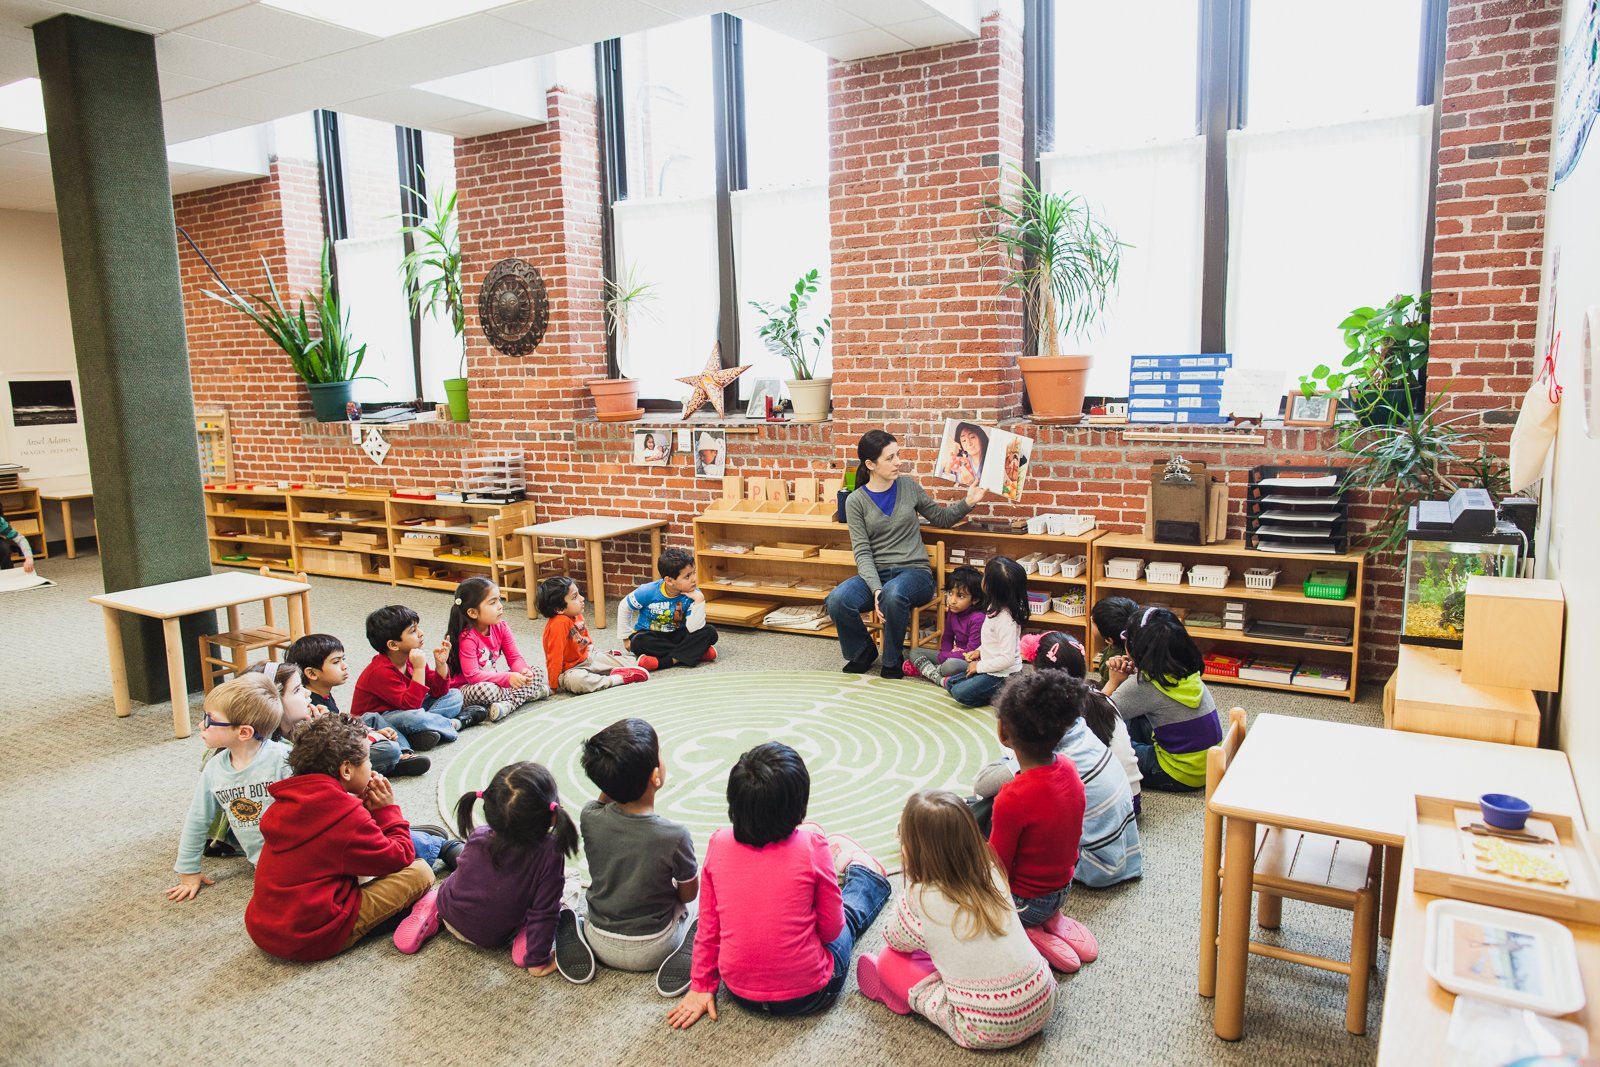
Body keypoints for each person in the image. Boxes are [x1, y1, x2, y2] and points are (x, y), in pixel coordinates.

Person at [667, 742, 891, 1030]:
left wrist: (701, 985)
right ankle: (869, 877)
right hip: (813, 993)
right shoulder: (812, 848)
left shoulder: (718, 843)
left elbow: (710, 927)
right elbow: (831, 929)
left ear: (734, 805)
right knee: (844, 918)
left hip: (740, 993)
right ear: (799, 807)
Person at [855, 791, 1057, 1049]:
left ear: (911, 850)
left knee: (888, 960)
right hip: (1043, 998)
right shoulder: (992, 870)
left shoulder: (920, 896)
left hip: (986, 1028)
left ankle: (899, 992)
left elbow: (893, 938)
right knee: (953, 944)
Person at [245, 716, 434, 962]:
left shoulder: (289, 799)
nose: (371, 765)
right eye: (367, 759)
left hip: (265, 928)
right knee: (421, 872)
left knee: (372, 854)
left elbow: (335, 842)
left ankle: (432, 844)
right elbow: (399, 857)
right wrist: (386, 810)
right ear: (346, 769)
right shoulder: (345, 814)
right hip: (312, 937)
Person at [249, 660, 459, 871]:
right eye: (297, 690)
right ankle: (434, 845)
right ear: (271, 703)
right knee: (418, 873)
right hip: (329, 855)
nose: (306, 693)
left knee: (372, 720)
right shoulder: (281, 755)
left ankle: (401, 761)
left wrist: (322, 723)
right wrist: (386, 813)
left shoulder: (272, 747)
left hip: (314, 835)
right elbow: (388, 852)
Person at [973, 644, 1142, 888]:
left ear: (1004, 731)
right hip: (1121, 854)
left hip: (1092, 865)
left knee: (990, 807)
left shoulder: (1053, 759)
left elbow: (982, 784)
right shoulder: (1079, 732)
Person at [554, 718, 699, 994]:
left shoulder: (589, 816)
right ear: (656, 777)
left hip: (599, 938)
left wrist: (614, 776)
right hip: (656, 948)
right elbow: (688, 894)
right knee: (701, 902)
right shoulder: (675, 835)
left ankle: (579, 929)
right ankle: (691, 943)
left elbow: (602, 800)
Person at [827, 429, 985, 678]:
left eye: (897, 455)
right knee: (837, 600)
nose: (898, 462)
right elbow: (863, 552)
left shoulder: (908, 487)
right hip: (878, 576)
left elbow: (941, 518)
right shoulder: (855, 501)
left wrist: (969, 501)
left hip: (915, 575)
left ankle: (892, 660)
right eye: (890, 458)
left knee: (894, 593)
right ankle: (863, 651)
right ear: (870, 464)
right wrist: (876, 589)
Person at [393, 762, 578, 970]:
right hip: (493, 936)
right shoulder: (550, 854)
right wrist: (538, 963)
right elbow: (545, 910)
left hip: (450, 911)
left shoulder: (479, 834)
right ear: (553, 814)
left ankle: (432, 904)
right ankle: (530, 946)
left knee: (467, 876)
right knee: (568, 886)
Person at [986, 673, 1097, 973]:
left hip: (1027, 902)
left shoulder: (1012, 797)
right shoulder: (1070, 768)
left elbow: (998, 868)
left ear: (1003, 733)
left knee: (965, 895)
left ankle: (1027, 930)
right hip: (1063, 885)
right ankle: (1052, 918)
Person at [167, 673, 288, 903]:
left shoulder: (283, 759)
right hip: (264, 866)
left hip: (300, 857)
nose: (201, 724)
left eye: (209, 719)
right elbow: (197, 819)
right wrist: (188, 871)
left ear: (244, 732)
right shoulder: (214, 769)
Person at [1104, 606, 1222, 793]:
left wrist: (1113, 682)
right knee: (1133, 718)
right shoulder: (1185, 669)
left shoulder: (1143, 686)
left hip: (1179, 774)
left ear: (1135, 647)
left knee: (1110, 749)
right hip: (1207, 765)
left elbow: (1097, 713)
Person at [1028, 630, 1142, 813]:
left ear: (1037, 673)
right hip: (1131, 801)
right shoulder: (1100, 698)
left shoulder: (1053, 713)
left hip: (1095, 813)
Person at [286, 633, 430, 778]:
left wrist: (372, 733)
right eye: (336, 662)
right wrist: (370, 737)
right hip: (332, 756)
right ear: (312, 673)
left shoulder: (324, 692)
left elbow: (342, 729)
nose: (344, 666)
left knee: (372, 718)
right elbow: (334, 747)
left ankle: (403, 753)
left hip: (340, 740)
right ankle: (393, 760)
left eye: (343, 659)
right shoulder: (312, 706)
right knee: (389, 749)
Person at [350, 605, 480, 750]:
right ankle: (455, 724)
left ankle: (422, 731)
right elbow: (411, 706)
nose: (421, 633)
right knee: (413, 718)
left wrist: (441, 665)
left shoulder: (411, 657)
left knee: (455, 695)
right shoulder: (380, 671)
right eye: (413, 631)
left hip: (408, 709)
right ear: (393, 645)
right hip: (380, 721)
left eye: (418, 628)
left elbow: (438, 692)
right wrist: (418, 668)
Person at [445, 576, 550, 722]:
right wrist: (508, 679)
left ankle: (507, 704)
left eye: (499, 600)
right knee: (488, 691)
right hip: (469, 688)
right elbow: (473, 676)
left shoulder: (501, 626)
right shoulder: (467, 637)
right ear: (473, 612)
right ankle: (526, 696)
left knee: (536, 672)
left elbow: (514, 658)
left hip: (494, 681)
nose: (500, 606)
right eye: (492, 602)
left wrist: (523, 671)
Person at [537, 576, 649, 693]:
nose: (582, 598)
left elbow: (585, 640)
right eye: (575, 597)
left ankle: (628, 662)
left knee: (624, 661)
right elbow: (554, 657)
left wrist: (591, 650)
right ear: (559, 608)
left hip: (586, 657)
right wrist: (553, 685)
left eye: (579, 594)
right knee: (578, 681)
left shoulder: (577, 614)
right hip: (569, 670)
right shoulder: (558, 624)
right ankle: (617, 678)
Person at [943, 557, 1026, 707]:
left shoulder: (1006, 620)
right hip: (990, 667)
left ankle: (1006, 693)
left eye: (985, 575)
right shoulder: (994, 605)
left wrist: (978, 667)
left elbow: (1008, 660)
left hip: (1003, 675)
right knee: (951, 684)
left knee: (959, 693)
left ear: (990, 586)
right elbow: (992, 641)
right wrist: (979, 651)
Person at [618, 547, 719, 671]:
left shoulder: (694, 594)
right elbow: (625, 606)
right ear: (669, 581)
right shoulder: (648, 591)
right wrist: (625, 637)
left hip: (678, 633)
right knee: (638, 642)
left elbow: (694, 629)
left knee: (710, 632)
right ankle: (696, 653)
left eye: (694, 572)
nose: (694, 579)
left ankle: (665, 662)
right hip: (651, 635)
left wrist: (699, 600)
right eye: (687, 576)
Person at [903, 565, 985, 685]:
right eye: (950, 593)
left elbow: (971, 652)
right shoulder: (953, 610)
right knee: (914, 652)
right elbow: (947, 636)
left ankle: (928, 670)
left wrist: (945, 658)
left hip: (970, 659)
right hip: (952, 654)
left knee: (950, 666)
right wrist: (944, 655)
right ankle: (940, 678)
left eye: (960, 596)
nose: (952, 600)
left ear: (975, 599)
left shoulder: (978, 618)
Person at [1089, 595, 1140, 683]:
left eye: (1093, 622)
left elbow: (1106, 692)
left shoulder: (1115, 663)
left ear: (1109, 640)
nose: (1090, 618)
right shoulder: (1124, 643)